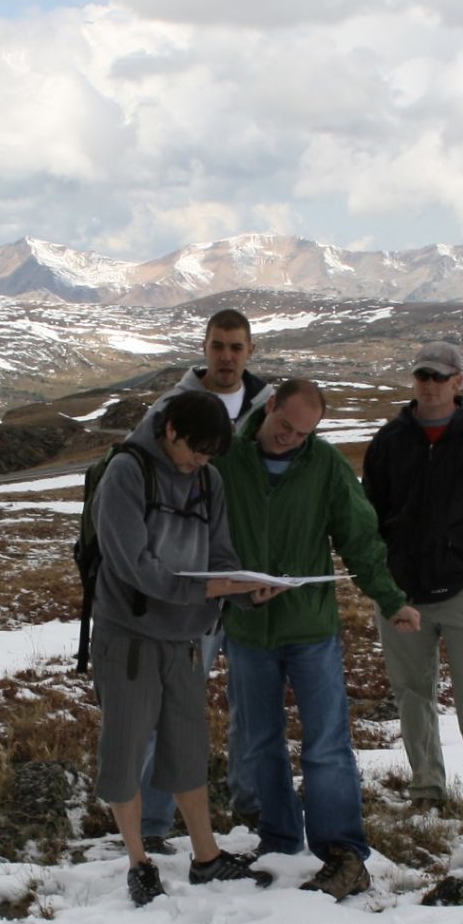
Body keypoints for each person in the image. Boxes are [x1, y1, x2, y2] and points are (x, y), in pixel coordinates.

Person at [213, 380, 420, 900]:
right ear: (270, 408)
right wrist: (236, 594)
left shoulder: (324, 464)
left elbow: (358, 535)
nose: (290, 439)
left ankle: (342, 852)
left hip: (310, 631)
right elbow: (203, 539)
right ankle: (280, 844)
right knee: (259, 742)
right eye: (285, 427)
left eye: (304, 433)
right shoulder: (226, 462)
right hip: (247, 631)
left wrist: (391, 599)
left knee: (327, 745)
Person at [90, 389, 282, 906]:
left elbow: (220, 552)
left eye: (212, 454)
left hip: (185, 637)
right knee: (125, 748)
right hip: (128, 634)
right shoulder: (127, 473)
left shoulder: (209, 479)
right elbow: (131, 563)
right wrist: (203, 590)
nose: (202, 461)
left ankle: (206, 856)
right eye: (197, 450)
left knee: (187, 747)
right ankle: (138, 861)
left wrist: (244, 589)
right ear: (170, 430)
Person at [362, 341, 463, 813]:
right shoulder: (390, 439)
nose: (430, 385)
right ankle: (427, 788)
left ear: (458, 381)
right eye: (423, 376)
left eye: (439, 377)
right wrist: (382, 582)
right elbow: (368, 515)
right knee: (413, 696)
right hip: (401, 594)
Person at [140, 308, 274, 850]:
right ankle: (150, 823)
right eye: (218, 346)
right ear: (205, 347)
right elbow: (139, 473)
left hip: (250, 578)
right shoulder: (170, 408)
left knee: (253, 699)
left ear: (250, 350)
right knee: (173, 701)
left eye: (236, 347)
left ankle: (252, 805)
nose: (226, 356)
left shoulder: (268, 409)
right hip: (193, 577)